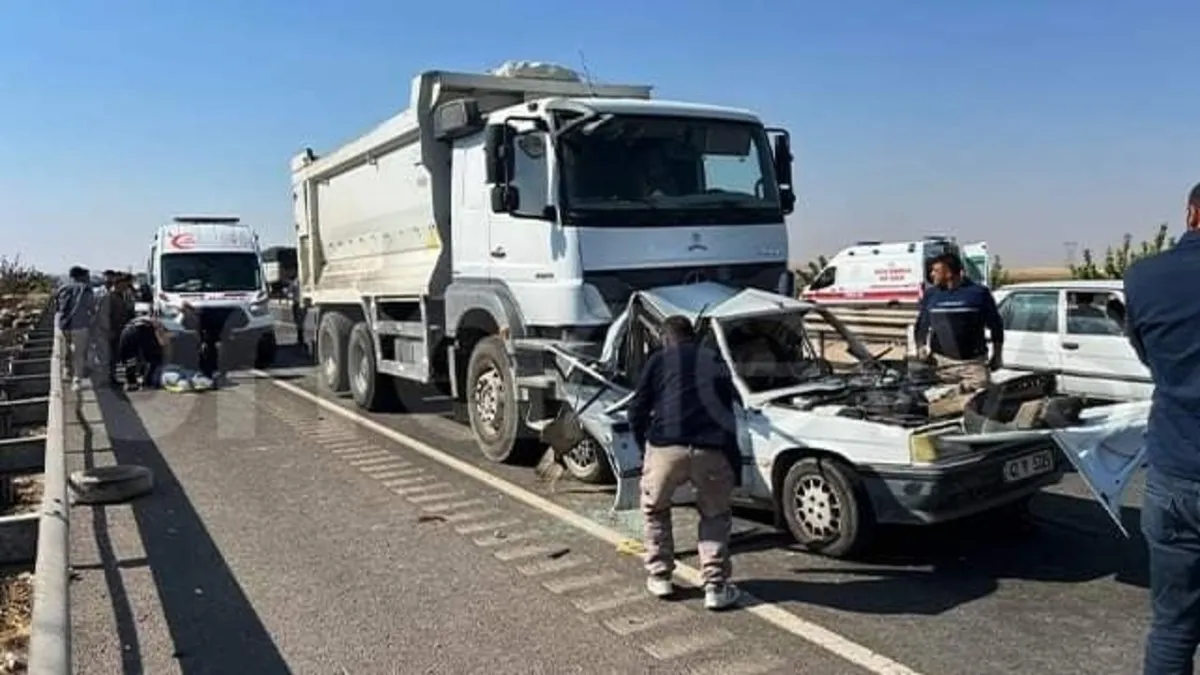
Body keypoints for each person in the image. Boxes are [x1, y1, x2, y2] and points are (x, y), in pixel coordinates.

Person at [1125, 182, 1200, 674]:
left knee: (1173, 626)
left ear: (1192, 215)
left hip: (1176, 472)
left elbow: (1148, 355)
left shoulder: (1144, 277)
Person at [626, 314, 741, 611]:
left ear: (665, 339)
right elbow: (729, 414)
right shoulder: (713, 360)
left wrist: (645, 448)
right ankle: (715, 586)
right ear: (694, 337)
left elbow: (636, 410)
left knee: (655, 509)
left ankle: (660, 576)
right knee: (715, 516)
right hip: (711, 448)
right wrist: (734, 463)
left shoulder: (658, 360)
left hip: (666, 448)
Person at [913, 252, 1005, 392]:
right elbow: (921, 324)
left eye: (936, 271)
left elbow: (996, 325)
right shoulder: (931, 295)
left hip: (973, 365)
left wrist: (997, 355)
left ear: (949, 272)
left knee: (980, 401)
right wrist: (920, 346)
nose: (931, 274)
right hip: (941, 364)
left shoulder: (979, 293)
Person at [54, 266, 95, 392]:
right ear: (82, 276)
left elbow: (57, 308)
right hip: (80, 324)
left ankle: (66, 371)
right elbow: (91, 307)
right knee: (79, 352)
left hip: (64, 324)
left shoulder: (62, 288)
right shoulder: (85, 289)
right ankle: (77, 380)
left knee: (68, 348)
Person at [117, 312, 169, 391]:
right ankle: (146, 382)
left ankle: (132, 382)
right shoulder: (153, 325)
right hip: (135, 333)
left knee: (130, 360)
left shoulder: (142, 321)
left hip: (126, 333)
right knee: (154, 358)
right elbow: (159, 342)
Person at [290, 277, 306, 348]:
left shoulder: (295, 282)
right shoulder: (304, 280)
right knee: (301, 321)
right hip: (303, 304)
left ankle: (300, 339)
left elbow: (289, 291)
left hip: (297, 303)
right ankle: (301, 338)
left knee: (298, 322)